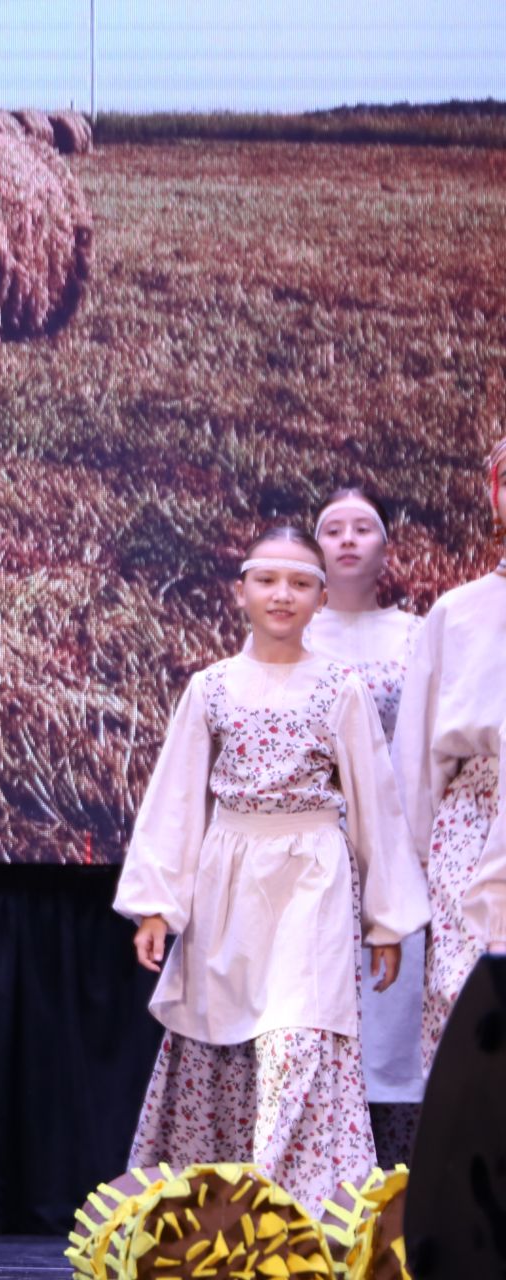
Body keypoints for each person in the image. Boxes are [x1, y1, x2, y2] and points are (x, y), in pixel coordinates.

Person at [117, 526, 430, 1211]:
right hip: (228, 880)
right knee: (219, 1041)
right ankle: (218, 1218)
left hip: (312, 878)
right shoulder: (212, 688)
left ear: (321, 598)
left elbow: (374, 801)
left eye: (298, 583)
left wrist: (386, 920)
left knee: (300, 1036)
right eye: (267, 580)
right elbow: (177, 797)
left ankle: (300, 1213)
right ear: (241, 592)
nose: (281, 595)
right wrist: (156, 906)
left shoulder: (339, 687)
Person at [305, 487, 427, 1163]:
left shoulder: (414, 635)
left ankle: (391, 1193)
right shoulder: (288, 630)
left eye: (364, 528)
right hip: (304, 847)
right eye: (333, 529)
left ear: (386, 546)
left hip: (390, 846)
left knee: (390, 1017)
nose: (348, 540)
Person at [392, 438, 506, 1080]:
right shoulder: (454, 613)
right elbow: (416, 753)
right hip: (475, 816)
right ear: (494, 494)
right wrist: (415, 869)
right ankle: (469, 1172)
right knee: (467, 997)